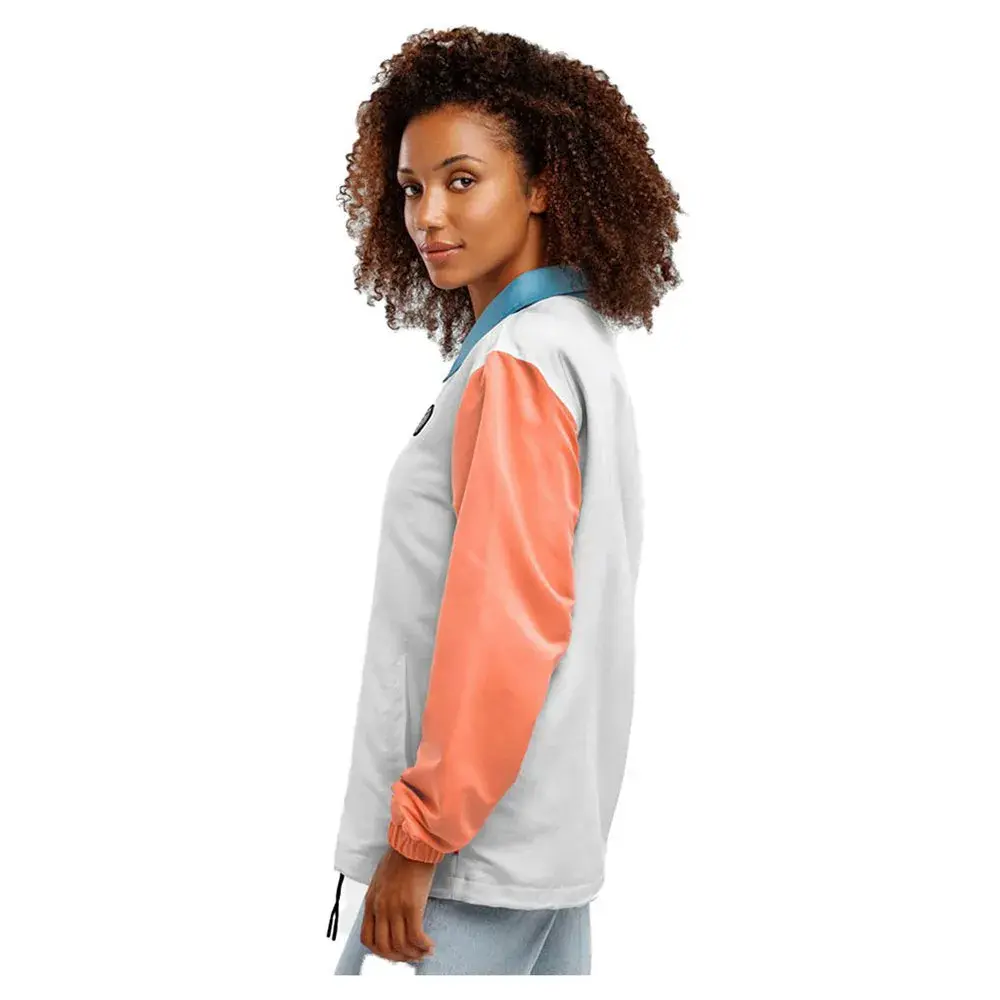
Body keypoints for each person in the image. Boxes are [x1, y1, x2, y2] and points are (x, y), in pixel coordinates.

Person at [325, 25, 683, 975]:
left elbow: (506, 621)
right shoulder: (571, 345)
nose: (429, 215)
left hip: (470, 857)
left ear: (541, 186)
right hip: (544, 836)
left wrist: (420, 836)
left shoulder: (520, 362)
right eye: (411, 187)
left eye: (462, 179)